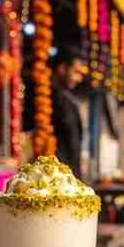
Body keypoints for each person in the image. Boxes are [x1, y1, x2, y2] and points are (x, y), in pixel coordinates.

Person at [51, 45, 86, 174]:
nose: (79, 79)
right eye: (76, 72)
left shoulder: (67, 98)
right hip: (54, 174)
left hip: (68, 174)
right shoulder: (47, 97)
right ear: (62, 68)